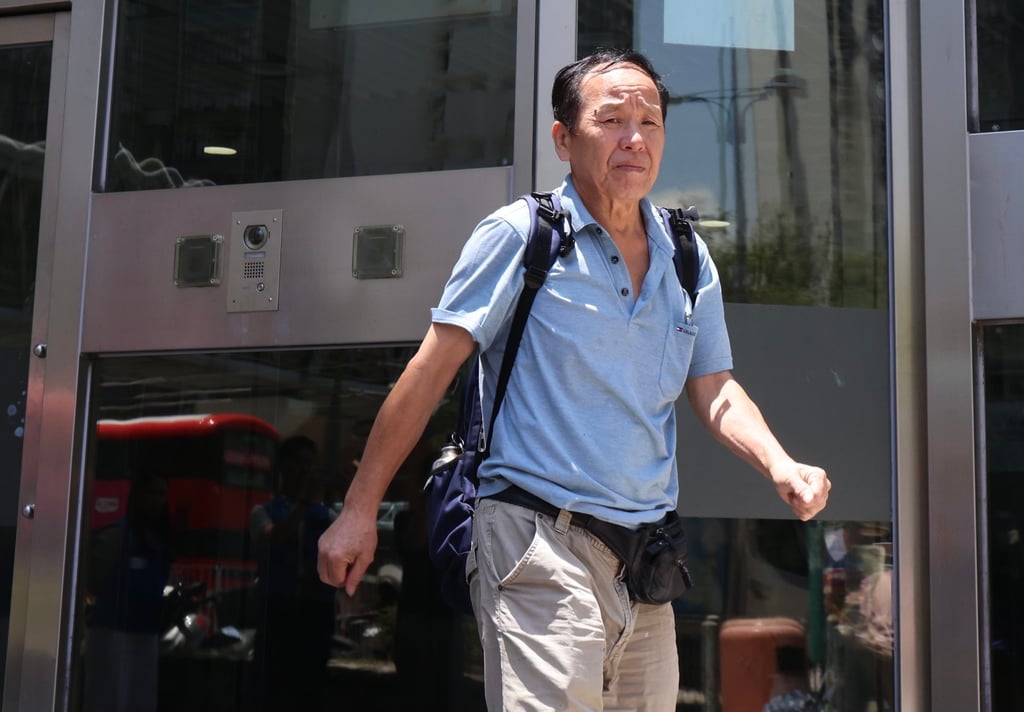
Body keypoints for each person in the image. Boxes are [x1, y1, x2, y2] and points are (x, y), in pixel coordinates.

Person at [318, 48, 831, 709]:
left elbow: (715, 387)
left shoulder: (685, 254)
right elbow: (429, 373)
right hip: (539, 541)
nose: (634, 139)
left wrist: (780, 464)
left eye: (650, 123)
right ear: (563, 139)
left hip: (646, 563)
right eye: (612, 120)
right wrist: (360, 510)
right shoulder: (521, 235)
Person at [250, 435, 337, 712]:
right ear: (283, 467)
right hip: (279, 606)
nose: (305, 471)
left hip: (315, 609)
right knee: (274, 684)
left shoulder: (328, 516)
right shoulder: (263, 511)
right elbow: (271, 539)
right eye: (299, 463)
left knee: (310, 687)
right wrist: (302, 505)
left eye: (310, 465)